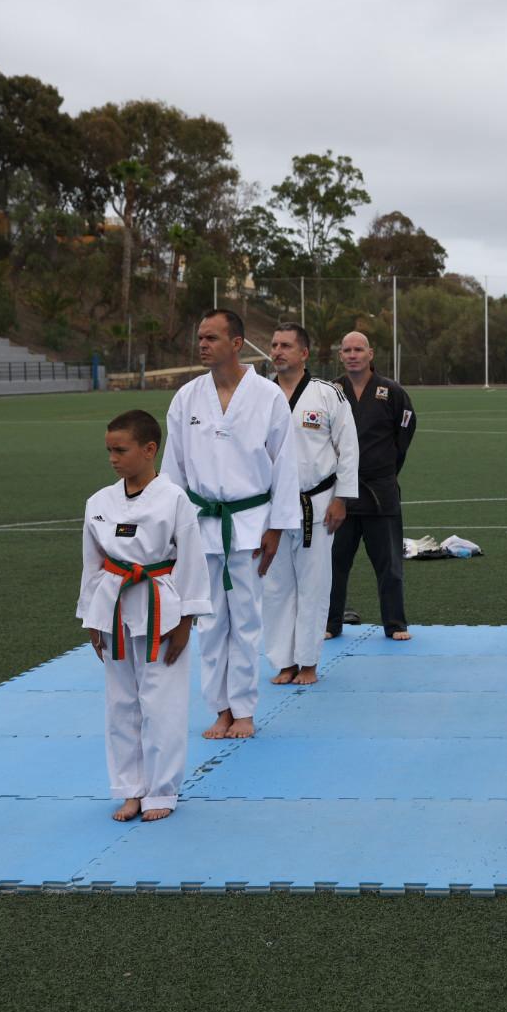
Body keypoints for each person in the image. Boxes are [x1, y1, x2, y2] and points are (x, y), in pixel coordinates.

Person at [162, 309, 301, 741]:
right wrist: (173, 531)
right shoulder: (186, 398)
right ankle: (219, 708)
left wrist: (277, 527)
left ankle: (243, 709)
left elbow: (285, 464)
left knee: (244, 621)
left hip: (250, 524)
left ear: (236, 343)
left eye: (212, 338)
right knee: (210, 622)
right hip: (202, 525)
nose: (202, 345)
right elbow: (173, 472)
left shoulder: (267, 396)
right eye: (200, 337)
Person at [78, 409, 212, 822]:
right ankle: (129, 788)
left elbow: (192, 561)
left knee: (162, 705)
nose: (113, 458)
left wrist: (186, 622)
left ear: (150, 449)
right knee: (121, 704)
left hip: (162, 610)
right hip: (114, 608)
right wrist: (91, 619)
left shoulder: (174, 500)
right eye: (109, 451)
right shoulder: (99, 502)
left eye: (121, 450)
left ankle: (161, 791)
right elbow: (92, 565)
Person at [262, 323, 359, 686]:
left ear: (304, 353)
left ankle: (308, 662)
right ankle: (283, 661)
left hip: (316, 504)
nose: (277, 351)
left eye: (285, 345)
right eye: (273, 344)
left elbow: (347, 449)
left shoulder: (326, 395)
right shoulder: (259, 396)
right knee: (274, 588)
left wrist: (342, 498)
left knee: (314, 585)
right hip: (269, 509)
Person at [327, 330, 418, 641]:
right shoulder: (330, 391)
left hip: (380, 490)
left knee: (389, 564)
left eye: (358, 349)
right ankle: (330, 623)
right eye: (347, 350)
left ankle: (395, 624)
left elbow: (404, 434)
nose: (352, 355)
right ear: (340, 355)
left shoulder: (391, 392)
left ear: (370, 354)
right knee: (334, 563)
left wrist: (387, 468)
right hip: (341, 493)